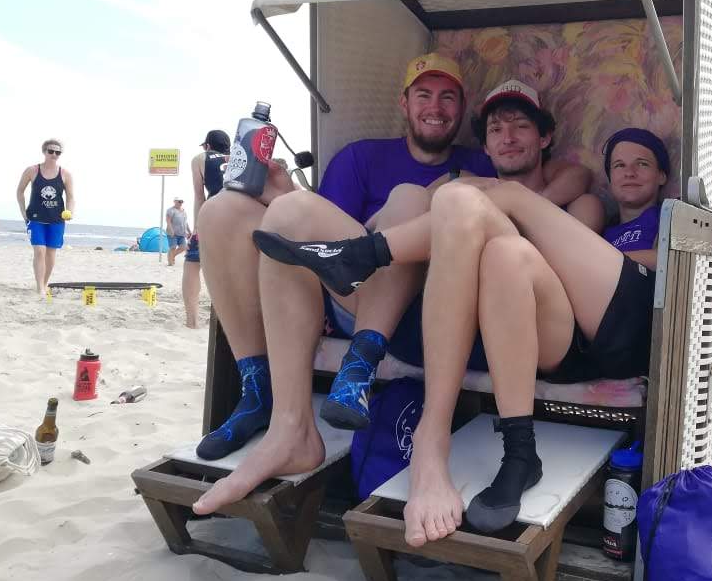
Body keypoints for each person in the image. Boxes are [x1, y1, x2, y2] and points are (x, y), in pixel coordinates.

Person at [206, 127, 670, 543]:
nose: (508, 137)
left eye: (521, 127)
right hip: (487, 295)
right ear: (484, 146)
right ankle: (290, 425)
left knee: (473, 204)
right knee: (453, 210)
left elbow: (565, 232)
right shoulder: (465, 182)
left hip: (590, 313)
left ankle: (365, 255)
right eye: (497, 129)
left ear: (546, 138)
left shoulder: (589, 200)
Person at [190, 57, 592, 462]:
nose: (435, 107)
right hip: (357, 289)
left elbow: (569, 174)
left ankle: (361, 363)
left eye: (447, 97)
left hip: (437, 305)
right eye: (424, 95)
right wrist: (282, 191)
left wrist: (529, 201)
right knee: (220, 211)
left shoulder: (479, 165)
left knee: (407, 196)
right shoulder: (361, 157)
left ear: (461, 108)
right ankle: (258, 391)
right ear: (404, 104)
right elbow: (316, 234)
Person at [15, 139, 76, 295]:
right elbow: (20, 191)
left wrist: (70, 211)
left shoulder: (65, 174)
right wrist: (23, 210)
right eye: (51, 151)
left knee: (51, 252)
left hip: (57, 219)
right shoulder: (32, 170)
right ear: (44, 152)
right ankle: (40, 287)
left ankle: (45, 282)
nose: (54, 154)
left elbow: (70, 197)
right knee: (39, 251)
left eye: (57, 152)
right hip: (36, 218)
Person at [183, 130, 231, 328]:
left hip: (213, 213)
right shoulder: (237, 157)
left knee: (193, 264)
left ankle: (192, 321)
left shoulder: (200, 159)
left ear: (208, 146)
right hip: (239, 214)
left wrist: (196, 227)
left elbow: (199, 197)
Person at [165, 198, 190, 266]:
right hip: (172, 233)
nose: (180, 203)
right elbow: (168, 221)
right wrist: (171, 230)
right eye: (179, 201)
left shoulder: (183, 211)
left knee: (183, 247)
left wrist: (189, 231)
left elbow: (185, 222)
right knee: (173, 247)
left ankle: (172, 256)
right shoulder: (170, 210)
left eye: (182, 202)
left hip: (182, 233)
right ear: (175, 202)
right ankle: (170, 262)